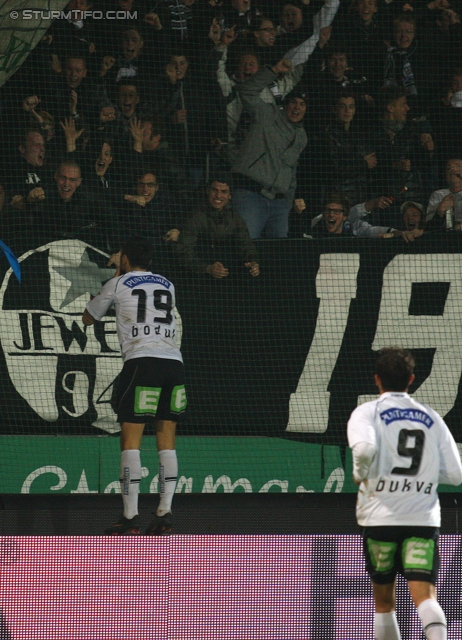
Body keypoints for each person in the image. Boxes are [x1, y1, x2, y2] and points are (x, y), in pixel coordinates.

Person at [347, 347, 462, 640]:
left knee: (384, 604)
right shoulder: (432, 417)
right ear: (411, 379)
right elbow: (456, 474)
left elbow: (364, 448)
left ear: (377, 380)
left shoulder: (367, 412)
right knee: (426, 598)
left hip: (380, 518)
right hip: (421, 519)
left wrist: (361, 473)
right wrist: (422, 472)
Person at [82, 235, 187, 535]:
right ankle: (164, 513)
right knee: (166, 441)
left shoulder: (117, 283)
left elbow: (88, 317)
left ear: (125, 258)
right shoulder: (167, 284)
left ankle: (129, 517)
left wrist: (117, 274)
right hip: (174, 364)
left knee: (131, 441)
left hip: (142, 362)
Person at [231, 59, 307, 239]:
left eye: (302, 104)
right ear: (286, 105)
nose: (297, 107)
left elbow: (292, 170)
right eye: (294, 102)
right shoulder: (268, 114)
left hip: (279, 204)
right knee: (245, 249)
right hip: (251, 195)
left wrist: (288, 202)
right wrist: (272, 70)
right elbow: (246, 91)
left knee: (277, 257)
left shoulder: (302, 135)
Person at [174, 178, 259, 277]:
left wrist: (253, 262)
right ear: (207, 191)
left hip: (227, 272)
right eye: (215, 190)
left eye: (224, 192)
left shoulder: (234, 216)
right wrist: (207, 268)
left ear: (230, 195)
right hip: (198, 274)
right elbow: (183, 251)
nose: (218, 195)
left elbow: (246, 245)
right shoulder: (195, 215)